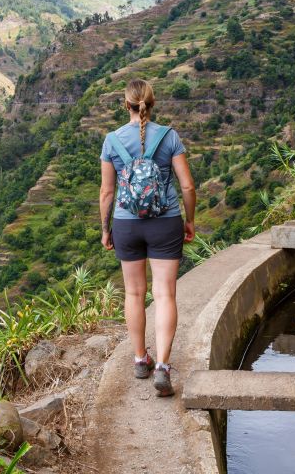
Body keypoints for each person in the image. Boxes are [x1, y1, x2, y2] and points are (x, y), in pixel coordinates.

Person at [99, 79, 196, 397]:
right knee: (165, 294)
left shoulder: (111, 141)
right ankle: (163, 368)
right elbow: (187, 187)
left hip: (127, 225)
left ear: (124, 105)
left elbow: (107, 192)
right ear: (152, 104)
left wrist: (105, 229)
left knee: (133, 294)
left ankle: (140, 359)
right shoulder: (170, 137)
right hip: (165, 222)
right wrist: (190, 220)